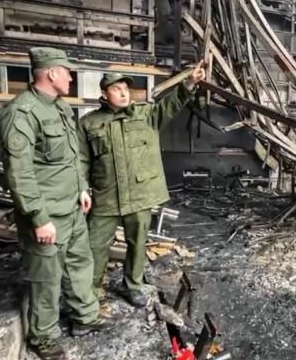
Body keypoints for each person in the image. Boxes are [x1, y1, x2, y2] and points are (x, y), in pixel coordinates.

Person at [0, 47, 111, 360]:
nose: (71, 76)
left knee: (79, 265)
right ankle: (43, 338)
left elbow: (72, 158)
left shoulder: (59, 107)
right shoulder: (21, 114)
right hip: (46, 215)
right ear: (51, 73)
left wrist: (82, 190)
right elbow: (20, 173)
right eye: (67, 70)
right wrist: (38, 217)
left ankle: (85, 317)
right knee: (45, 279)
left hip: (72, 208)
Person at [78, 62, 205, 307]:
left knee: (137, 244)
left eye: (126, 88)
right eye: (117, 89)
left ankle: (132, 285)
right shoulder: (88, 124)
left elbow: (171, 104)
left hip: (139, 195)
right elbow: (80, 160)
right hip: (106, 196)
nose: (124, 93)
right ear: (104, 94)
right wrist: (82, 188)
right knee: (94, 247)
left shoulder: (146, 114)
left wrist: (189, 83)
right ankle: (89, 293)